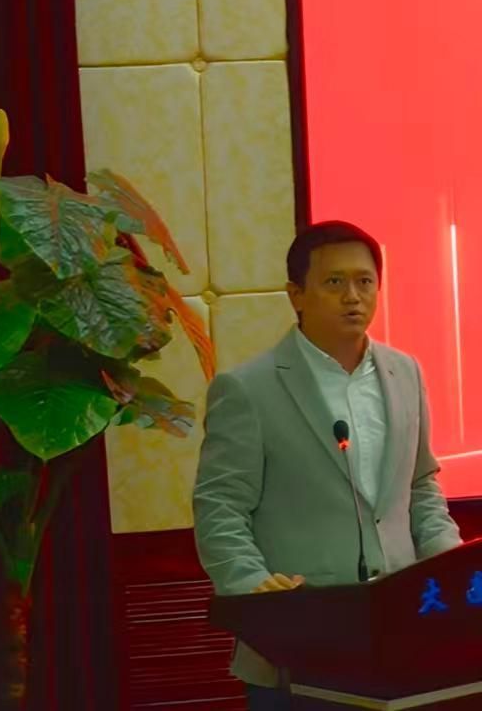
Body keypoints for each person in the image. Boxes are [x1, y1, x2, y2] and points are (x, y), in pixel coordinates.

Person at [194, 220, 462, 709]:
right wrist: (252, 588)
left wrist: (453, 564)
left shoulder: (405, 372)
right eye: (334, 282)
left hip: (406, 634)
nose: (352, 297)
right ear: (296, 295)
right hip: (297, 643)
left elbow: (420, 484)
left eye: (364, 281)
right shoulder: (248, 389)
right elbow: (220, 508)